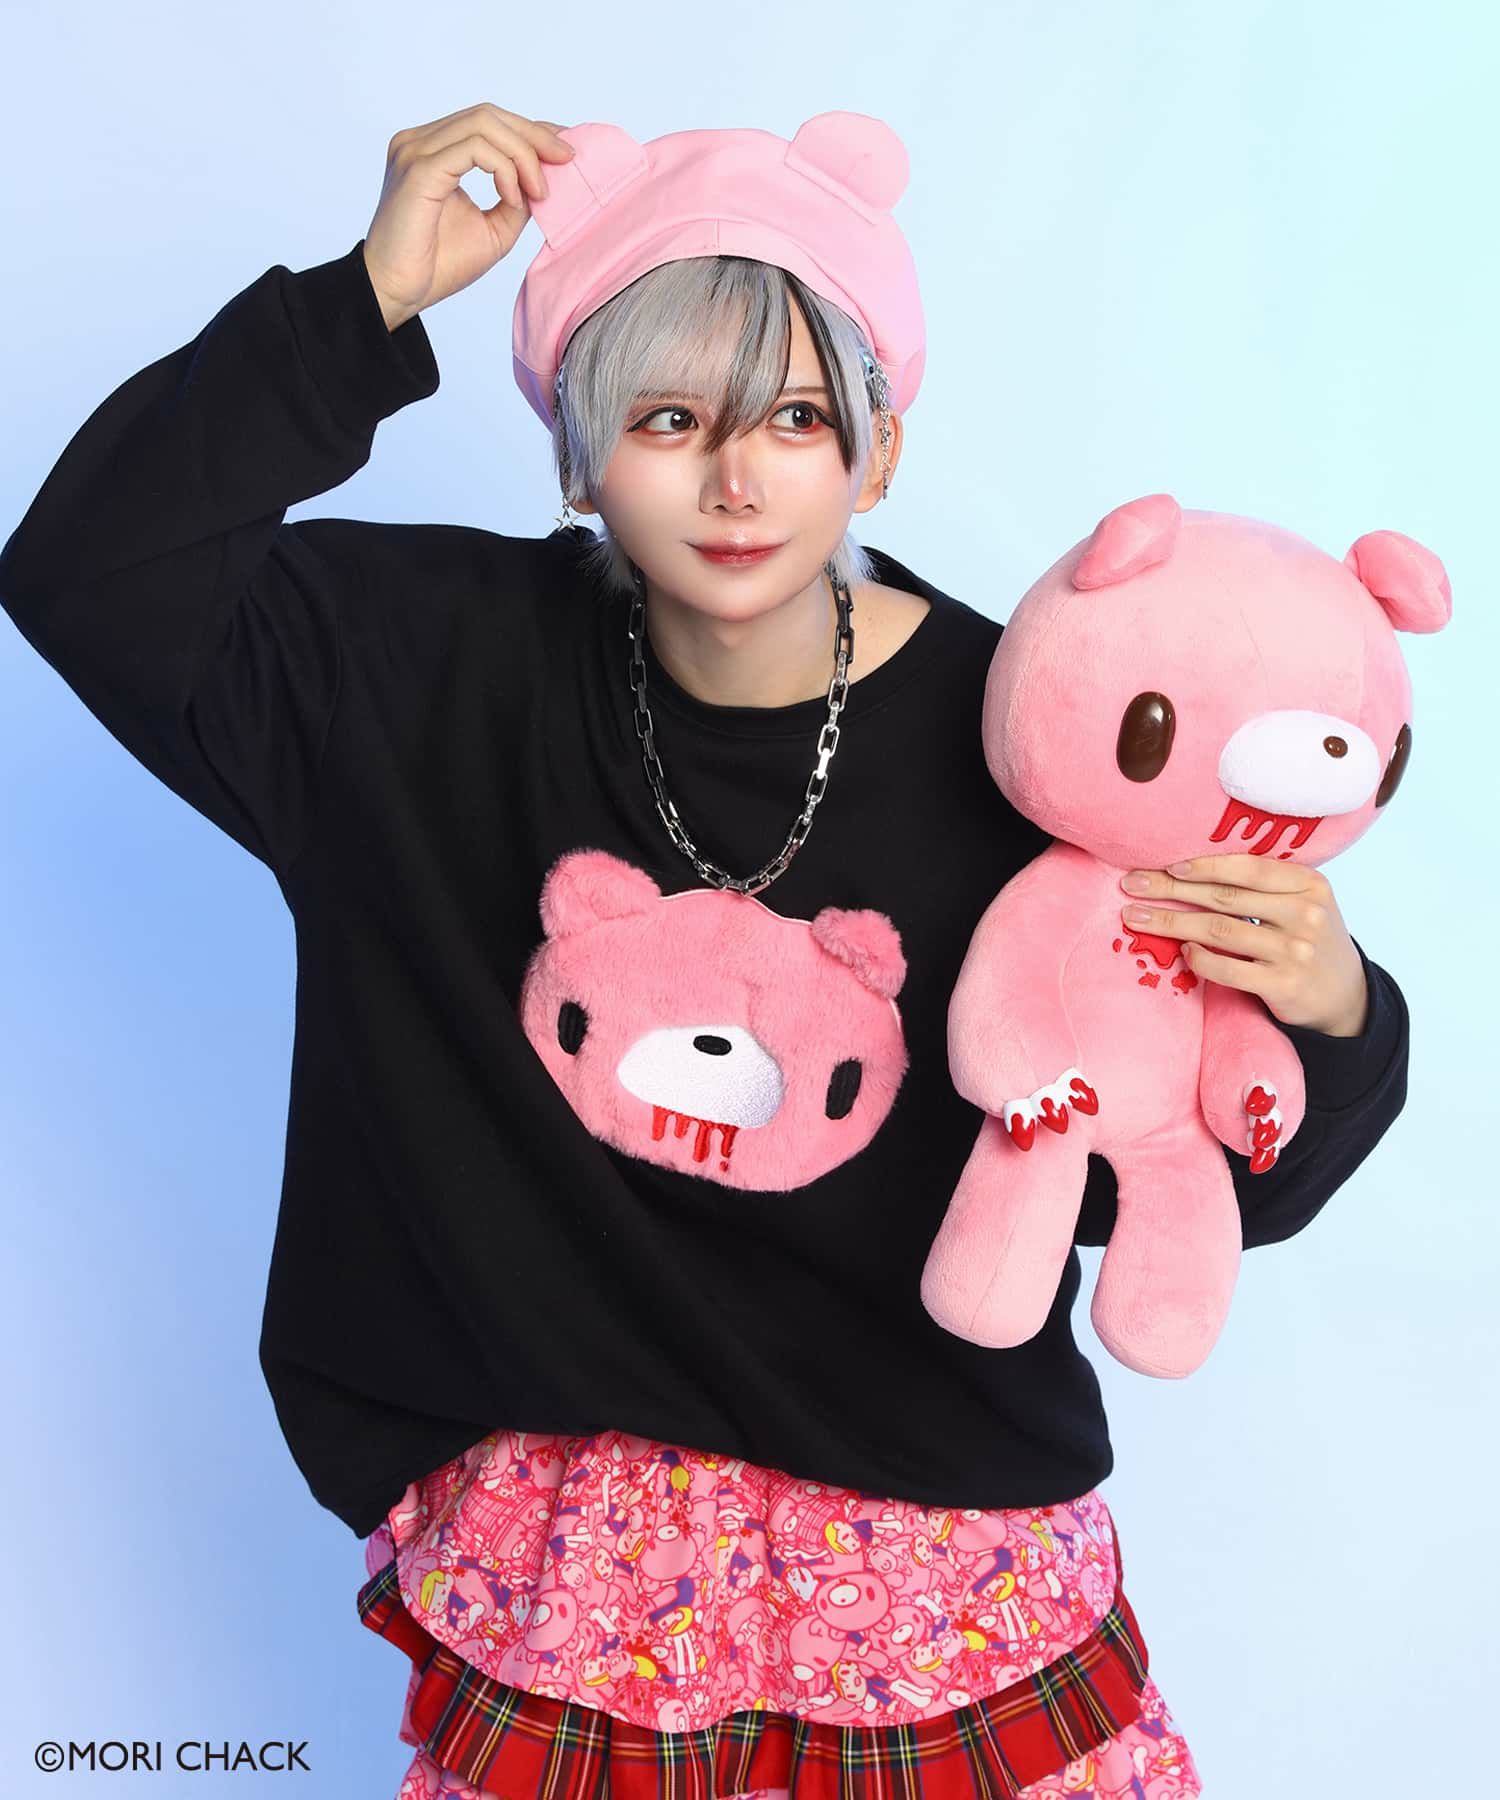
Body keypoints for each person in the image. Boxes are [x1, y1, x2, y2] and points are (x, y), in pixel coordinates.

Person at [0, 104, 1409, 1800]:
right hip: (572, 1559)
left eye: (798, 420)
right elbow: (88, 571)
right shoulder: (414, 672)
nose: (738, 481)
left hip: (938, 1537)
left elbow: (1171, 1170)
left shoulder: (1031, 739)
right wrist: (366, 299)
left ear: (877, 455)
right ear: (578, 455)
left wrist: (1333, 1015)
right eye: (668, 418)